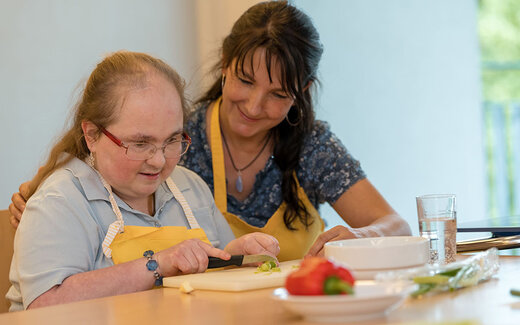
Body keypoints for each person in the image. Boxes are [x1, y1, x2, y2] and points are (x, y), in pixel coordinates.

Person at [8, 1, 411, 261]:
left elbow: (396, 226)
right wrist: (41, 192)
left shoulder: (312, 146)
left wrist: (362, 236)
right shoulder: (183, 138)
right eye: (246, 81)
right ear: (224, 63)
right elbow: (105, 175)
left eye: (277, 94)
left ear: (302, 93)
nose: (254, 107)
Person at [6, 51, 279, 311]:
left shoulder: (189, 187)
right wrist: (159, 263)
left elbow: (212, 274)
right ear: (91, 135)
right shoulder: (60, 201)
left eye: (172, 140)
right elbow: (45, 306)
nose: (159, 161)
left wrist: (234, 256)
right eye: (140, 144)